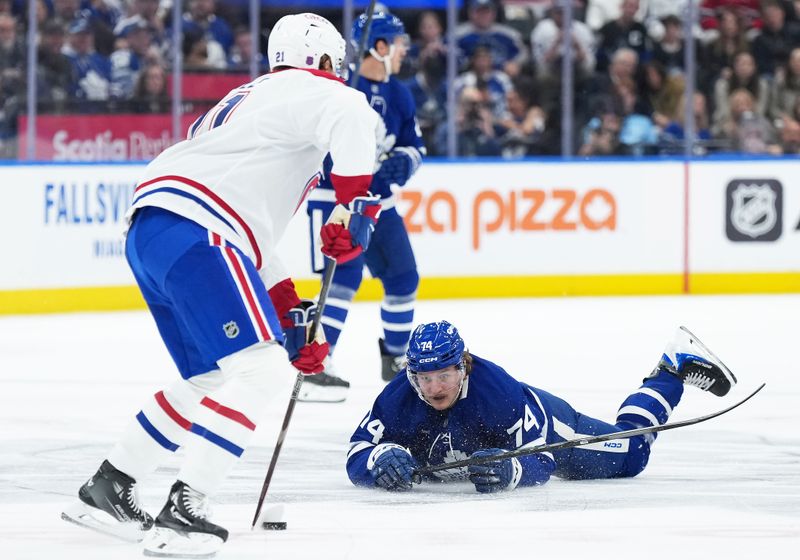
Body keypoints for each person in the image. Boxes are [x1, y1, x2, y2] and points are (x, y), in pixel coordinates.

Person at [61, 13, 382, 557]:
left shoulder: (251, 104)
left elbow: (254, 237)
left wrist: (290, 316)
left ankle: (109, 487)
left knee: (209, 374)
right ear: (324, 62)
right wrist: (355, 210)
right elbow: (354, 134)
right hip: (200, 231)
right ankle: (188, 509)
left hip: (157, 230)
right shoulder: (326, 95)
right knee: (260, 373)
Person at [346, 321, 737, 493]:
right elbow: (357, 452)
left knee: (632, 454)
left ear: (462, 365)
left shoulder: (498, 394)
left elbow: (543, 459)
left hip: (551, 424)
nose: (433, 388)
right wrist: (379, 458)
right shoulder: (397, 397)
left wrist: (511, 468)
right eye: (423, 379)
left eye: (443, 376)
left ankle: (672, 367)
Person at [304, 10, 425, 402]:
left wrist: (406, 159)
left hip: (379, 203)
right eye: (399, 42)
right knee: (341, 280)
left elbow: (415, 145)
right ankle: (319, 363)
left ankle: (397, 361)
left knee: (404, 278)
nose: (405, 50)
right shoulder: (341, 87)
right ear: (380, 46)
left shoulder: (400, 93)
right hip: (339, 200)